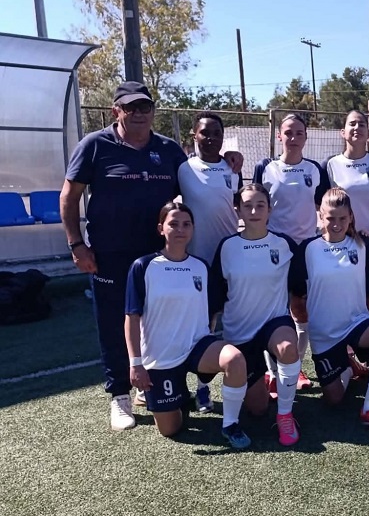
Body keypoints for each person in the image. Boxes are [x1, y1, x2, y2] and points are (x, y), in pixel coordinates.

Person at [59, 81, 242, 431]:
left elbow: (200, 176)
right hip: (110, 255)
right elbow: (69, 195)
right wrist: (76, 244)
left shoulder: (168, 150)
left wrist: (227, 159)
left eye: (145, 107)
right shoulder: (94, 145)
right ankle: (120, 395)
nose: (139, 114)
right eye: (131, 107)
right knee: (115, 322)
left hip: (160, 257)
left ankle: (156, 383)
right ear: (116, 111)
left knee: (163, 323)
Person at [125, 202, 251, 448]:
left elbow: (212, 309)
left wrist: (209, 335)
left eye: (186, 224)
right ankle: (181, 398)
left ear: (193, 229)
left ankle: (230, 425)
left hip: (196, 346)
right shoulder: (144, 266)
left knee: (235, 359)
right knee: (170, 430)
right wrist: (136, 364)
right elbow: (131, 317)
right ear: (161, 228)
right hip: (161, 357)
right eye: (173, 224)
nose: (180, 229)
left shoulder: (200, 266)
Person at [292, 188, 369, 436]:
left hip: (356, 323)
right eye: (330, 218)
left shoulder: (363, 245)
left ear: (351, 217)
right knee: (334, 399)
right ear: (321, 216)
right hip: (324, 334)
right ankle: (349, 367)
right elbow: (296, 292)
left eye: (342, 218)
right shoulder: (307, 249)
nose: (336, 224)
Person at [209, 184, 302, 446]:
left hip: (275, 323)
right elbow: (216, 294)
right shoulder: (227, 247)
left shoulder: (284, 244)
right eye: (247, 206)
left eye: (260, 205)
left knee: (288, 348)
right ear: (237, 210)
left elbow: (302, 283)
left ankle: (285, 415)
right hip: (240, 333)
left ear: (269, 209)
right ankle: (264, 381)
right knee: (258, 409)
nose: (254, 211)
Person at [255, 113, 331, 392]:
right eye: (288, 132)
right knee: (272, 309)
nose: (293, 137)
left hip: (305, 250)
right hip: (273, 249)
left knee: (301, 310)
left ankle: (294, 367)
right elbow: (255, 204)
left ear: (306, 137)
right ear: (279, 136)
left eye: (299, 132)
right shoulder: (266, 167)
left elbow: (326, 206)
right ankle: (271, 371)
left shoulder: (314, 169)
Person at [177, 112, 243, 413]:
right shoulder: (183, 169)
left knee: (235, 321)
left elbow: (238, 205)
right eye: (205, 132)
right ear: (194, 135)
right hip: (197, 262)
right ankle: (199, 387)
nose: (211, 138)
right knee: (203, 326)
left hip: (231, 259)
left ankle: (241, 379)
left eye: (217, 133)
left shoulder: (232, 168)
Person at [321, 110, 369, 239]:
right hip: (342, 241)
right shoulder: (330, 164)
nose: (357, 127)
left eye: (361, 124)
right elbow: (321, 206)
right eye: (352, 124)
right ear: (343, 132)